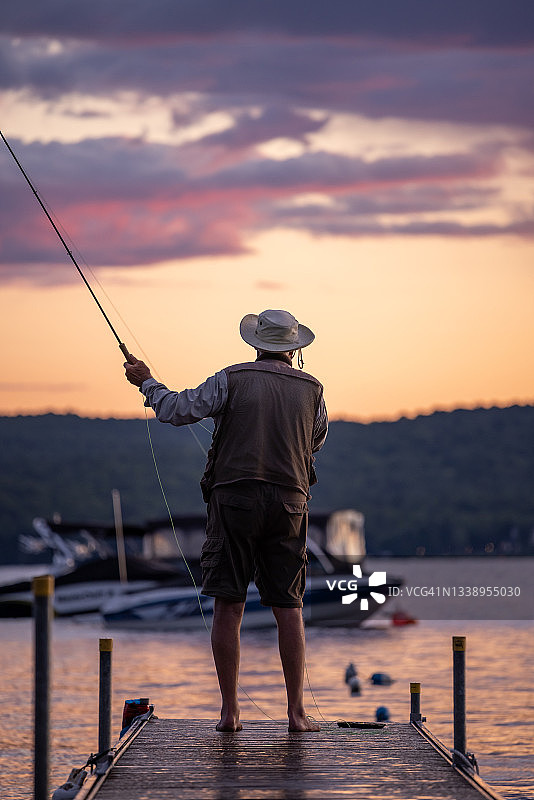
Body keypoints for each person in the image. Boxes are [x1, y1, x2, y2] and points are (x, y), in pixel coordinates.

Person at [124, 309, 328, 733]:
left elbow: (176, 410)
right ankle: (296, 714)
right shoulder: (314, 389)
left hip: (235, 500)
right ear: (294, 349)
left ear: (255, 344)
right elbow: (316, 440)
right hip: (291, 503)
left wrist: (146, 380)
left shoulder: (230, 379)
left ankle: (230, 712)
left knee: (228, 604)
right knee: (289, 607)